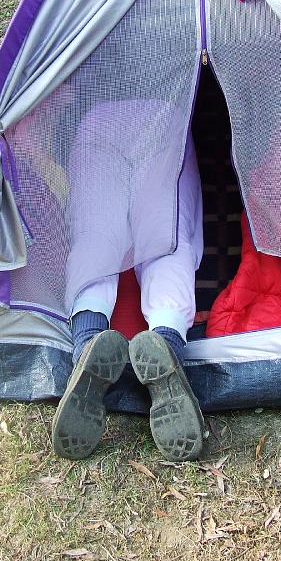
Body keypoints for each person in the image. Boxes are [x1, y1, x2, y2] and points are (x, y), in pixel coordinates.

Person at [51, 99, 206, 462]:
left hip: (98, 121)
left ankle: (88, 344)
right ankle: (166, 342)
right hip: (165, 117)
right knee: (166, 237)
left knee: (94, 236)